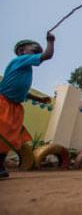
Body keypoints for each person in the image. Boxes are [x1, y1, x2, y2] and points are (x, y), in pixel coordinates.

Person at [0, 33, 55, 178]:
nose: (36, 49)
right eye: (32, 47)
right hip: (3, 102)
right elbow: (47, 55)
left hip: (14, 106)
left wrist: (39, 99)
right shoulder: (21, 60)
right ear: (21, 51)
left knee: (9, 138)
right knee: (3, 134)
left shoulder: (25, 68)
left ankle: (0, 165)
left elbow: (22, 91)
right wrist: (51, 41)